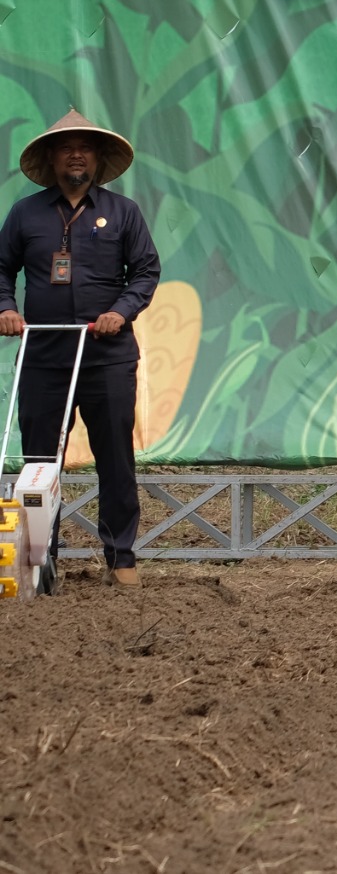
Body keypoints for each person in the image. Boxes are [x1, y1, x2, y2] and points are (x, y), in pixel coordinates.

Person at [0, 110, 162, 587]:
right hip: (44, 355)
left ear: (98, 158)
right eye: (66, 146)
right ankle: (39, 562)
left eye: (85, 146)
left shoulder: (124, 211)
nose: (76, 153)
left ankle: (122, 559)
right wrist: (6, 307)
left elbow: (147, 272)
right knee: (40, 464)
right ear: (51, 157)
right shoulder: (25, 213)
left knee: (115, 457)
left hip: (107, 356)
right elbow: (1, 269)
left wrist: (122, 310)